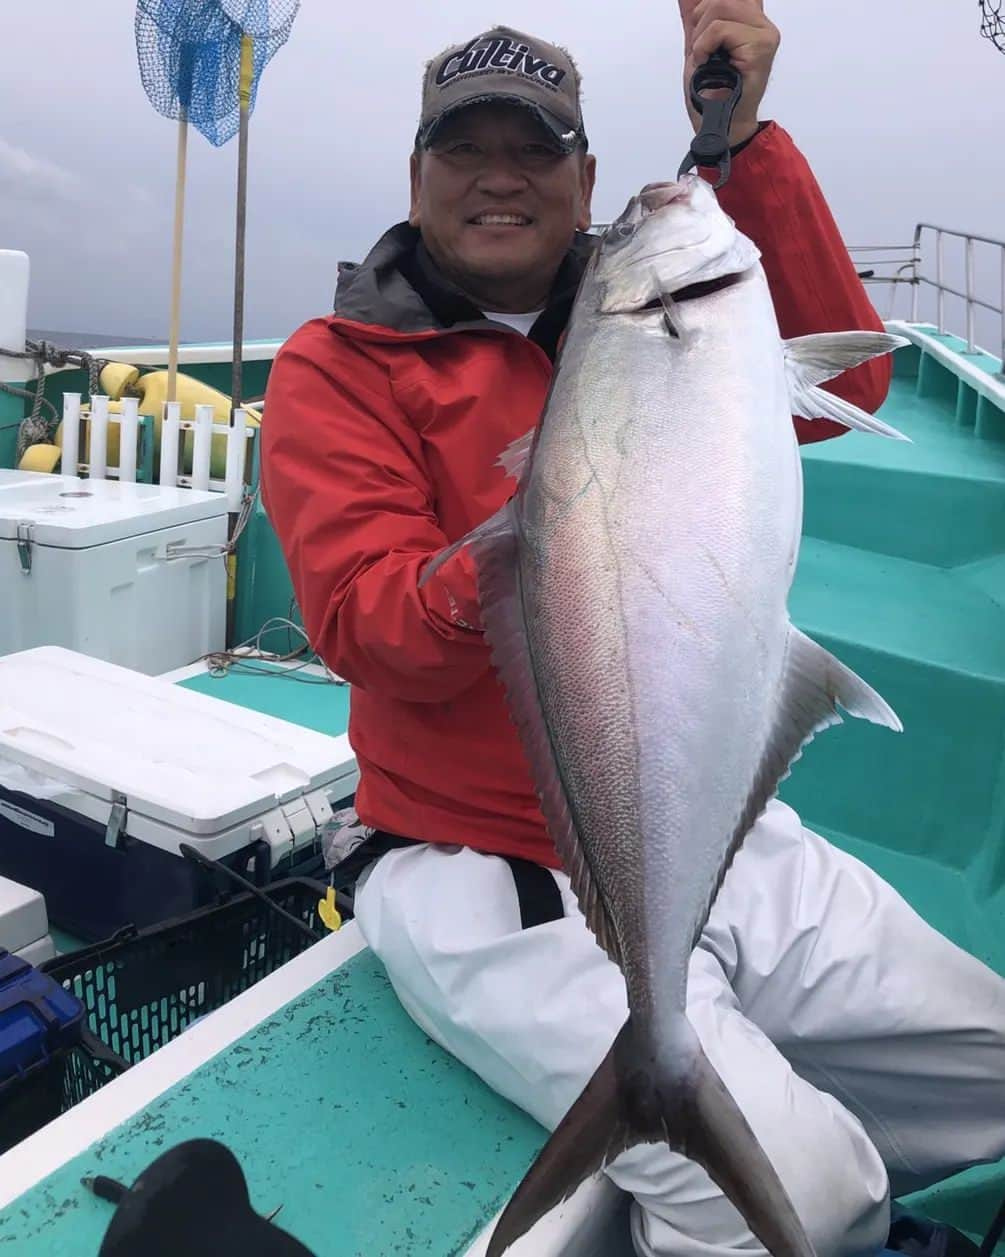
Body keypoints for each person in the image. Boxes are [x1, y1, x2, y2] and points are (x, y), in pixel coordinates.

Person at [261, 9, 1005, 1256]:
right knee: (809, 1209)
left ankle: (763, 1085)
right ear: (416, 177)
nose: (503, 175)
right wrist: (546, 526)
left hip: (713, 818)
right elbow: (370, 628)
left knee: (990, 1068)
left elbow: (851, 387)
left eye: (539, 148)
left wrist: (747, 137)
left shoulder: (645, 316)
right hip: (481, 870)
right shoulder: (338, 365)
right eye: (466, 149)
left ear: (588, 182)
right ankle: (741, 1120)